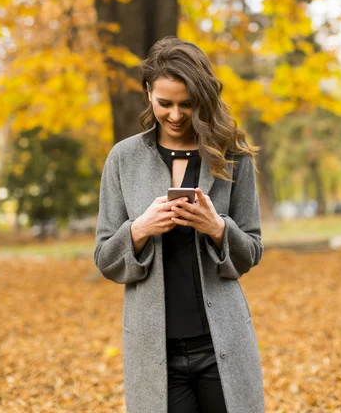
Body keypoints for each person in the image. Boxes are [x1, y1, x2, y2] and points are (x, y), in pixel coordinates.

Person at [94, 36, 265, 413]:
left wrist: (217, 227)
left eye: (187, 104)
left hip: (222, 344)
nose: (175, 115)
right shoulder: (123, 158)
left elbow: (251, 250)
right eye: (164, 103)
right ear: (148, 93)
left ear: (203, 99)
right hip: (154, 351)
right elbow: (105, 258)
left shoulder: (232, 156)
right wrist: (139, 229)